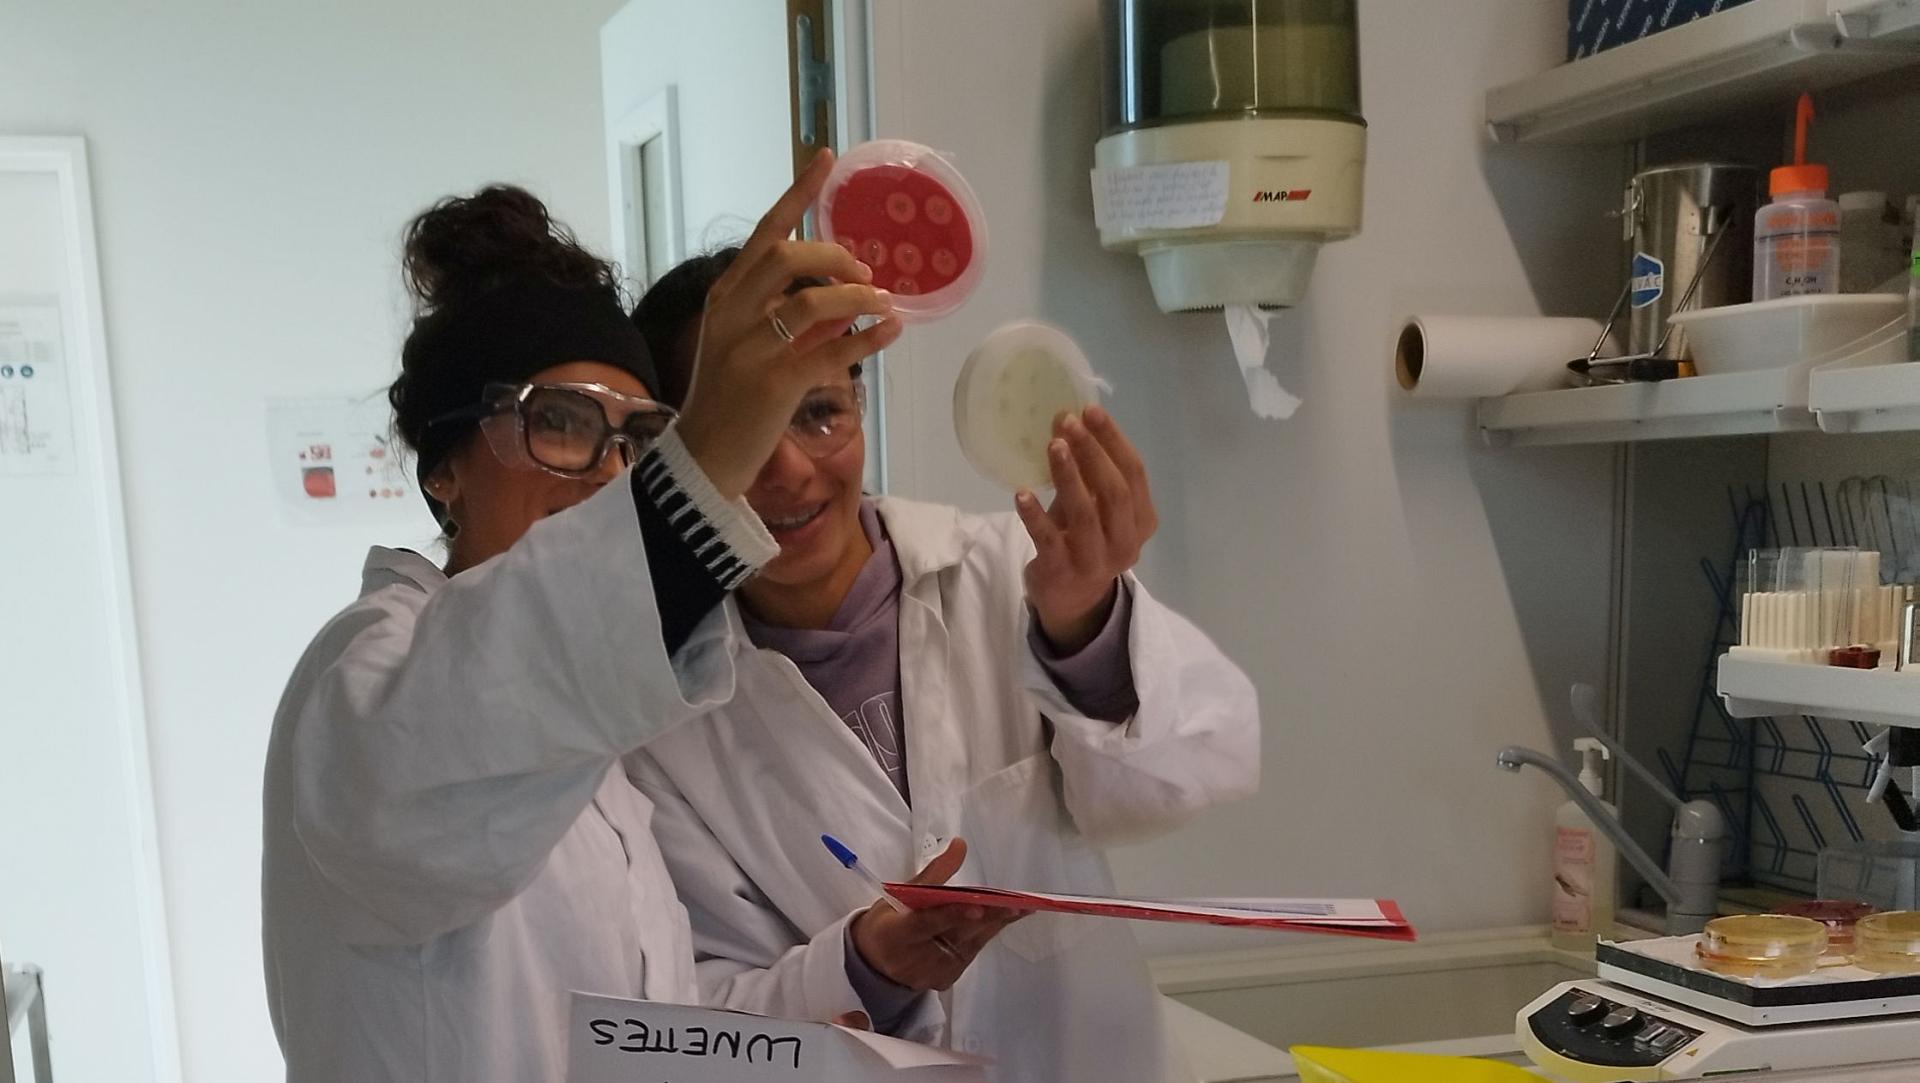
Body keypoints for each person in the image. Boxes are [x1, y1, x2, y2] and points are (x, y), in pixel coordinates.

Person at [259, 156, 999, 1083]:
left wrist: (866, 964)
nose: (608, 475)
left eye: (636, 440)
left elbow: (645, 1038)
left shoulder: (593, 752)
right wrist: (700, 469)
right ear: (443, 468)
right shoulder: (365, 683)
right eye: (560, 422)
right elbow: (481, 704)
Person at [625, 246, 1262, 1082]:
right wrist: (863, 966)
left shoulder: (1009, 572)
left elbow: (1203, 764)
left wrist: (1086, 630)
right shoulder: (664, 718)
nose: (789, 470)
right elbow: (689, 1012)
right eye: (745, 427)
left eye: (818, 411)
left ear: (860, 401)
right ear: (671, 454)